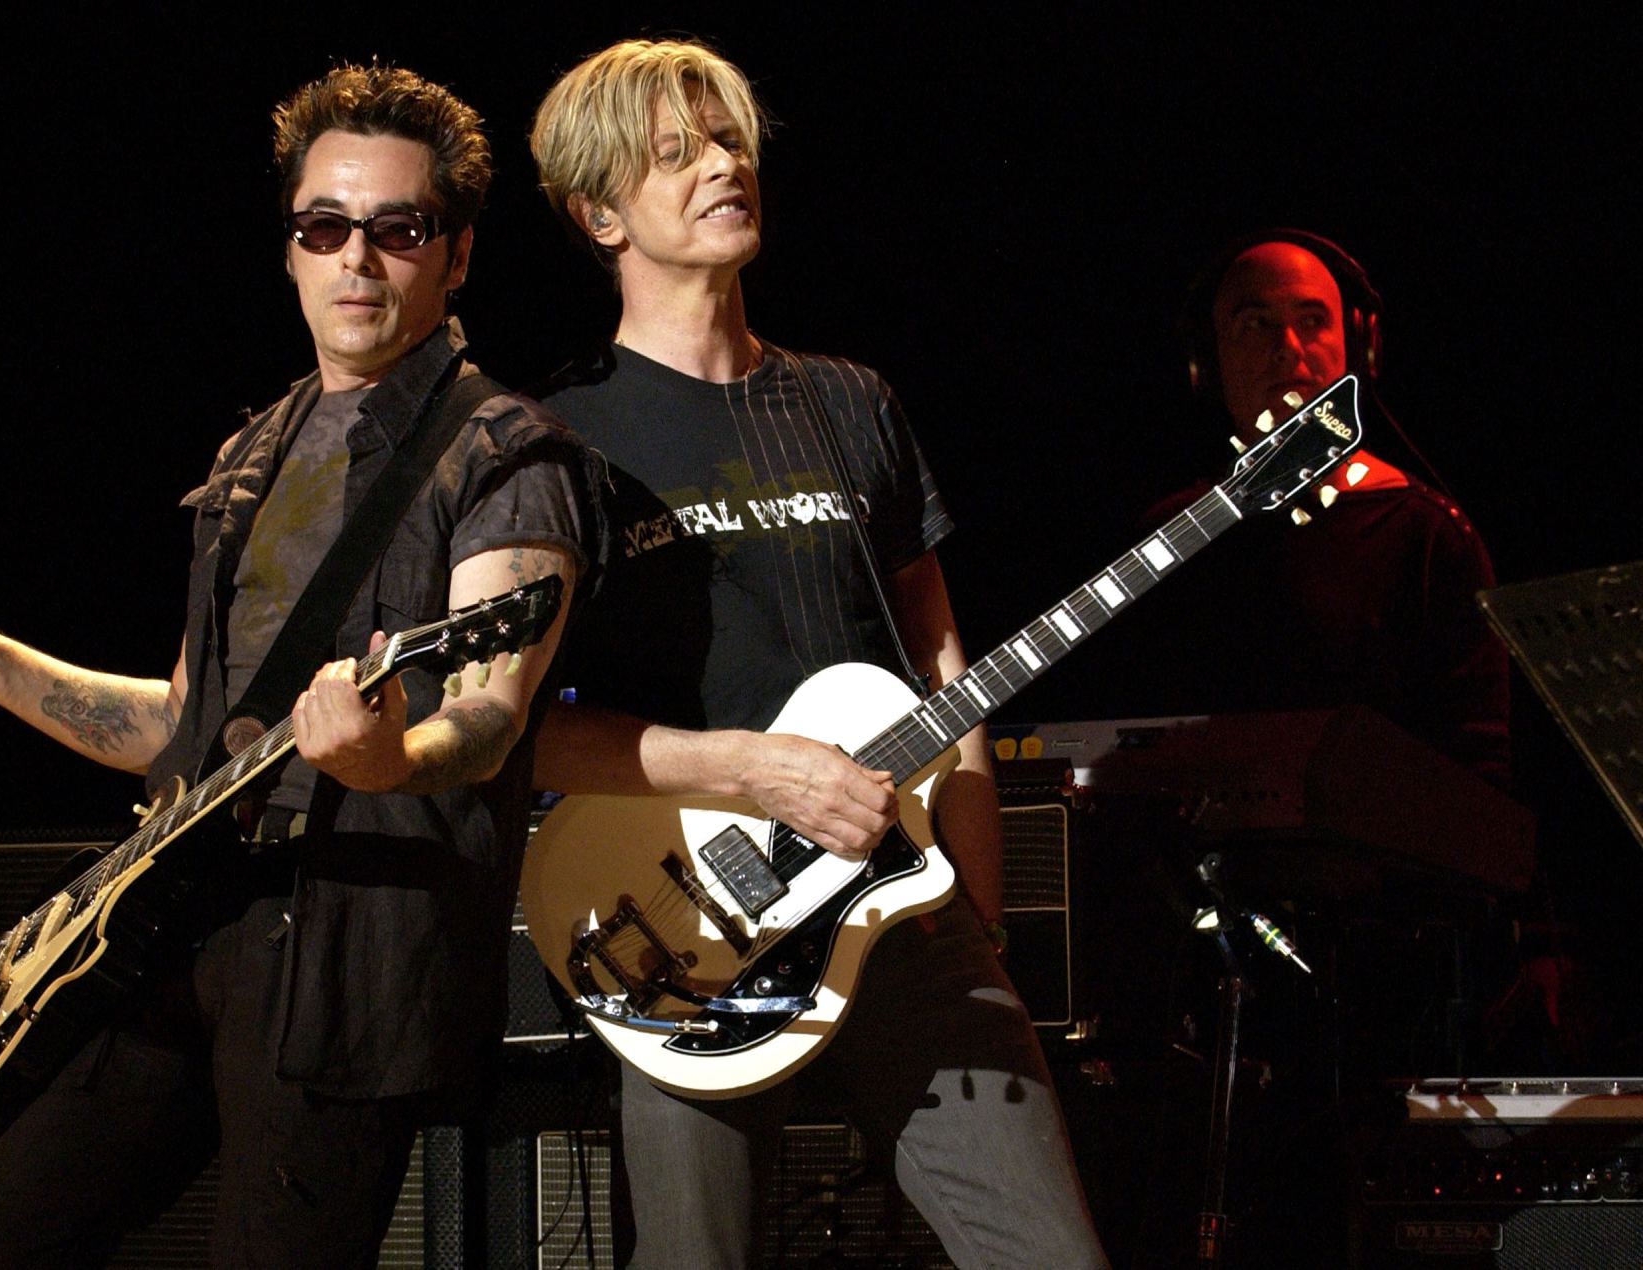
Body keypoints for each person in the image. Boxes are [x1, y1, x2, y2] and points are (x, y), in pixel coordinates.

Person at [0, 64, 587, 1267]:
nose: (357, 259)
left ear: (453, 256)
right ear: (291, 248)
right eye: (324, 227)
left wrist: (391, 753)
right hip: (169, 920)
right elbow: (190, 726)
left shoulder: (505, 451)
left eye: (398, 229)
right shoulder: (252, 448)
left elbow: (491, 714)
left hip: (346, 952)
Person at [525, 39, 1105, 1269]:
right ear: (597, 213)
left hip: (907, 913)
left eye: (728, 139)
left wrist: (974, 901)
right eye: (673, 152)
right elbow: (517, 733)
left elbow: (943, 666)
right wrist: (750, 770)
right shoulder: (556, 437)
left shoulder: (849, 401)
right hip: (683, 926)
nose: (721, 165)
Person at [1131, 229, 1510, 785]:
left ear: (1359, 349)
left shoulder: (1429, 535)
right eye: (1255, 323)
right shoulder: (1163, 537)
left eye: (1312, 320)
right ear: (1208, 364)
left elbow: (1481, 782)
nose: (1288, 347)